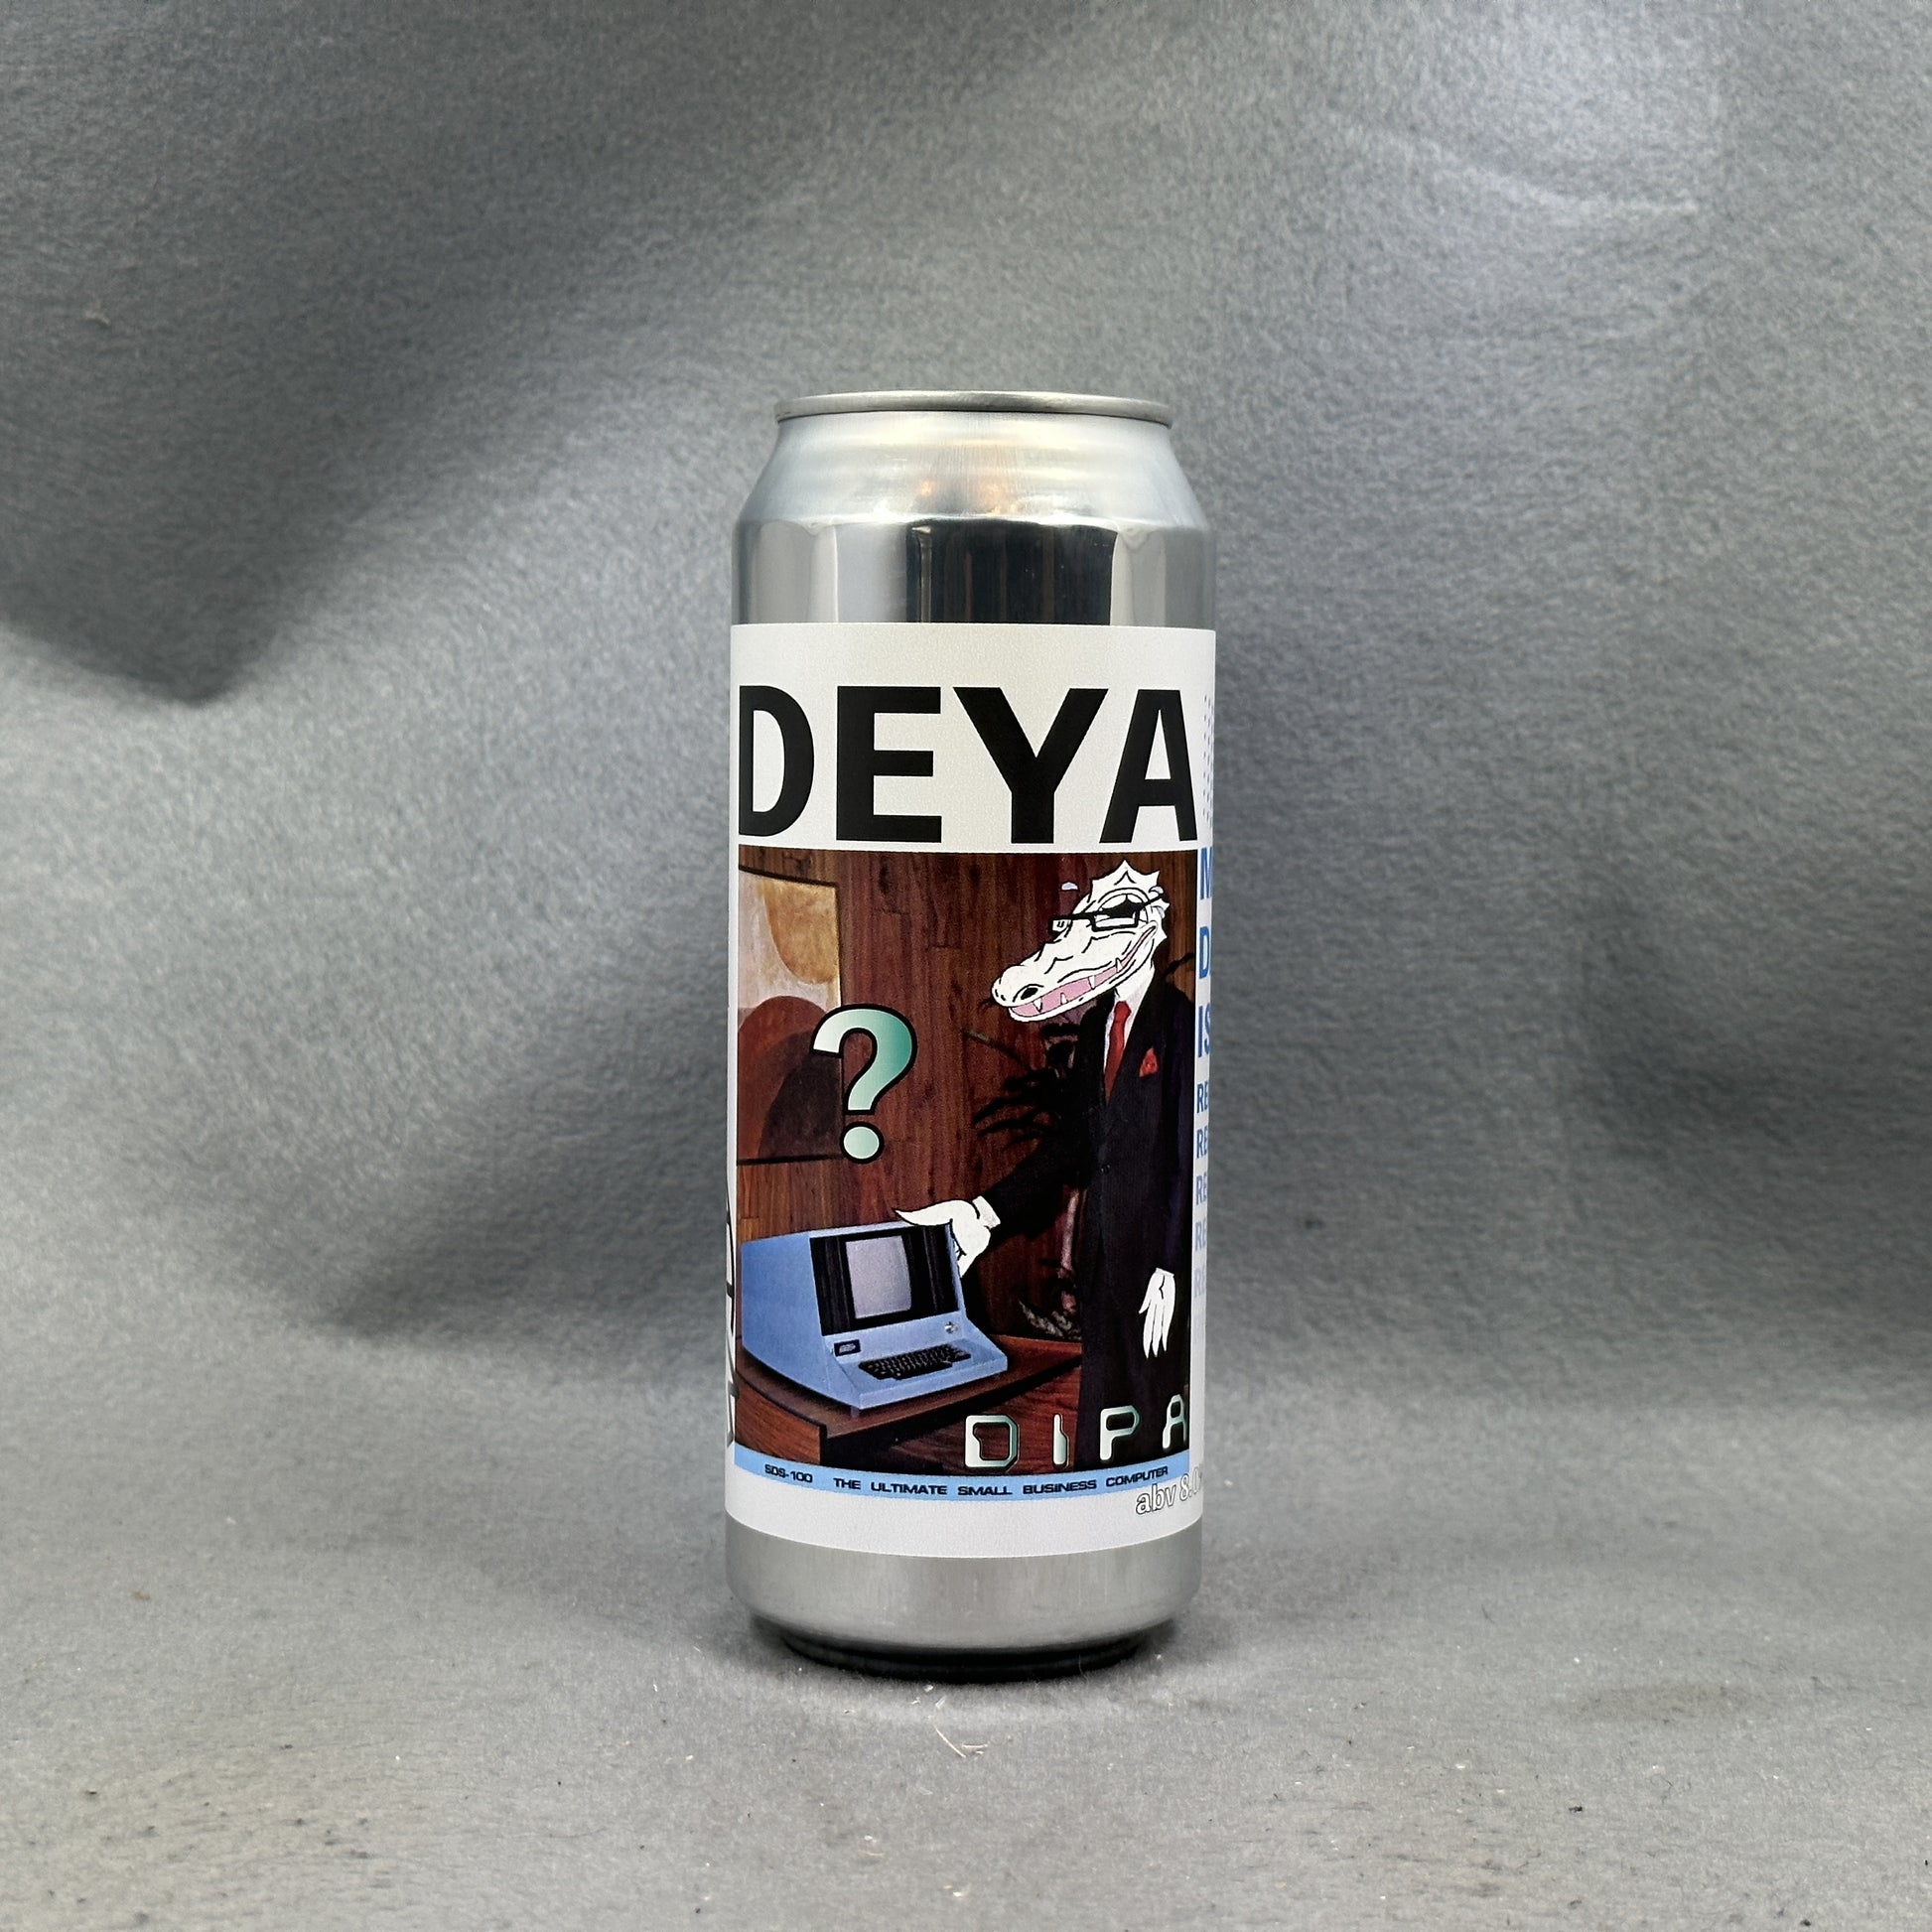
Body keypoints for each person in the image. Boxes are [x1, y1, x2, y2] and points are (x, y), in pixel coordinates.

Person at [901, 863, 1193, 1467]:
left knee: (1153, 1405)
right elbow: (1071, 1146)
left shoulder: (1180, 1021)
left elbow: (1183, 1159)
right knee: (1103, 1405)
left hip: (1157, 1265)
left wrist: (1169, 1266)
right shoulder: (1097, 1027)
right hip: (1101, 1256)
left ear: (1145, 929)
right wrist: (983, 1214)